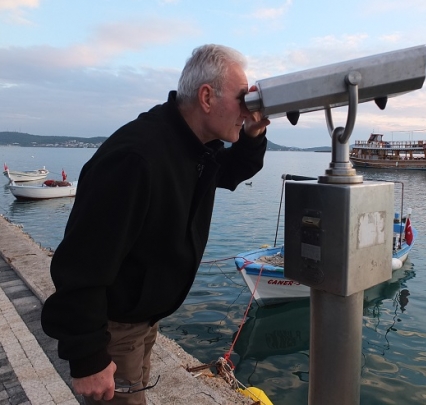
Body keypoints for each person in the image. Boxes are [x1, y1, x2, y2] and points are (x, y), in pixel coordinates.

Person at [41, 44, 270, 404]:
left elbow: (230, 172)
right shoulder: (137, 158)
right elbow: (80, 264)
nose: (247, 109)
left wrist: (253, 134)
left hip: (144, 323)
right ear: (206, 97)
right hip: (114, 330)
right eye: (243, 99)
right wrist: (87, 356)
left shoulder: (193, 146)